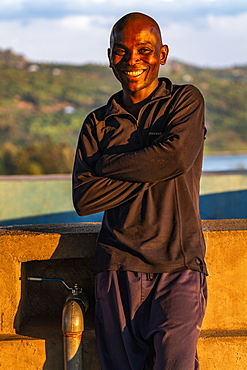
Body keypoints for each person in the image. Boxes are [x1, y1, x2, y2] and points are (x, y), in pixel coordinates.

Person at [73, 12, 208, 370]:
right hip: (116, 269)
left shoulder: (184, 102)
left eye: (144, 50)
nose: (132, 60)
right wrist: (154, 162)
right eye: (121, 50)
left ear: (162, 54)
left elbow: (176, 157)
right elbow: (84, 199)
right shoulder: (98, 122)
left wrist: (107, 164)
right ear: (109, 56)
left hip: (177, 266)